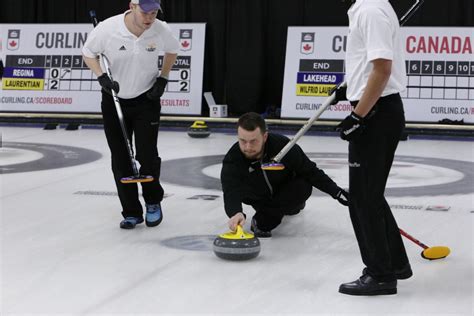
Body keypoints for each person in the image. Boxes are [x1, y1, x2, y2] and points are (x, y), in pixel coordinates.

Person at [334, 0, 412, 296]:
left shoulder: (370, 11)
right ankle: (394, 264)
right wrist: (352, 85)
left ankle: (380, 275)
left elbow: (382, 69)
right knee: (370, 195)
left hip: (376, 113)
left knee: (363, 200)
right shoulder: (368, 8)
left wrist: (358, 115)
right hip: (377, 109)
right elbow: (371, 66)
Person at [82, 0, 179, 229]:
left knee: (147, 155)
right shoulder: (107, 29)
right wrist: (100, 76)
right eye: (145, 12)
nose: (149, 18)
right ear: (132, 7)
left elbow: (172, 50)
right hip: (114, 99)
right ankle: (131, 211)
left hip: (147, 99)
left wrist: (163, 78)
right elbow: (88, 53)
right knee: (121, 157)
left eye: (154, 13)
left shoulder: (160, 29)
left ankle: (153, 201)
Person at [221, 112, 349, 238]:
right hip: (258, 198)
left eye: (253, 141)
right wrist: (236, 212)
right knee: (264, 224)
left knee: (303, 185)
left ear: (264, 137)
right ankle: (261, 221)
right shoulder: (233, 158)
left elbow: (310, 171)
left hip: (285, 194)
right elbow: (231, 190)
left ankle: (275, 211)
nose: (247, 147)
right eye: (243, 141)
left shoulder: (283, 146)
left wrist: (337, 192)